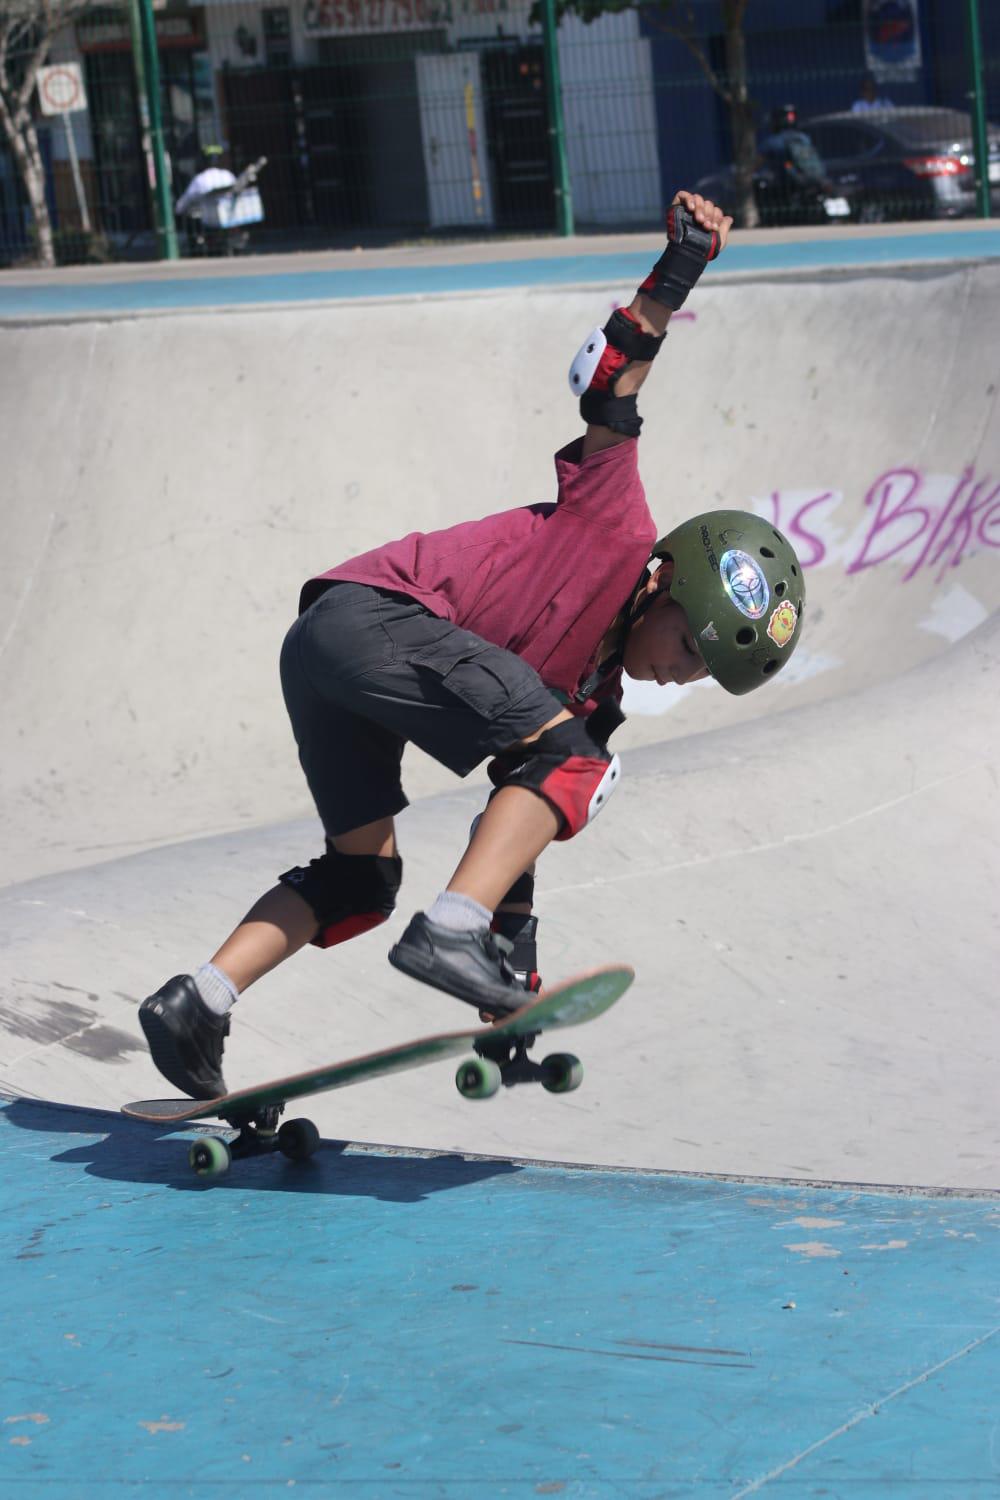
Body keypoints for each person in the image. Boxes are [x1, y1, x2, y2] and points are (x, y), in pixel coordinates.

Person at [137, 190, 807, 1100]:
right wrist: (681, 266)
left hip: (326, 654)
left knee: (361, 877)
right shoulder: (618, 523)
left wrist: (510, 992)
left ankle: (199, 999)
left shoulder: (587, 704)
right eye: (687, 644)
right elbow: (610, 379)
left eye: (701, 672)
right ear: (666, 582)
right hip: (375, 618)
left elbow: (520, 834)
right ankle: (449, 926)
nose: (679, 672)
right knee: (578, 770)